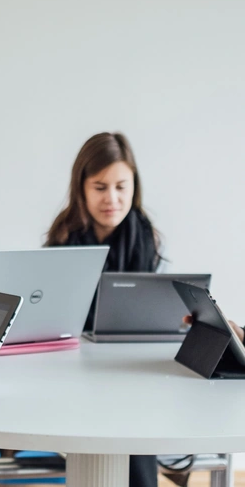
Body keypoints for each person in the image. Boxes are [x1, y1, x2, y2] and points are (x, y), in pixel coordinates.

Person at [46, 131, 161, 487]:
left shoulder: (144, 236)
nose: (112, 198)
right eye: (100, 187)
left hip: (127, 372)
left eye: (121, 187)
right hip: (73, 373)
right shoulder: (63, 238)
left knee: (136, 425)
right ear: (81, 188)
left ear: (134, 187)